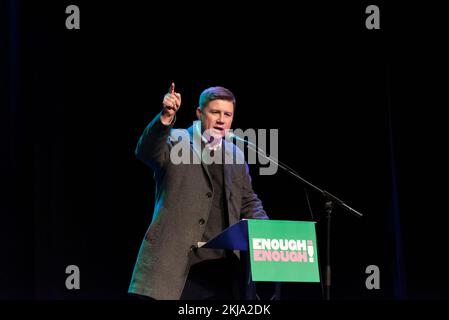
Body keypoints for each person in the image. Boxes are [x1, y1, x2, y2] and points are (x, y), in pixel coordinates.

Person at [128, 83, 268, 300]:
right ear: (199, 113)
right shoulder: (175, 140)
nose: (222, 119)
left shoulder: (236, 155)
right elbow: (145, 152)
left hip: (222, 271)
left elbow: (248, 202)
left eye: (227, 114)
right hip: (177, 267)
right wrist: (165, 117)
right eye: (215, 112)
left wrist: (267, 231)